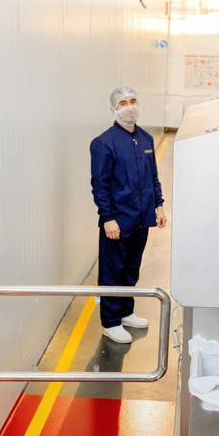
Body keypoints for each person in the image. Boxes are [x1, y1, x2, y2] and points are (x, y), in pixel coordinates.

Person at [90, 87, 167, 344]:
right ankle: (110, 322)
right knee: (113, 271)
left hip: (141, 218)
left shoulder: (145, 139)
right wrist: (108, 218)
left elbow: (153, 176)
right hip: (118, 220)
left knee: (131, 268)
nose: (129, 106)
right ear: (113, 109)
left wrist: (158, 205)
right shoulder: (104, 143)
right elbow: (100, 185)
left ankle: (125, 311)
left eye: (133, 101)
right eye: (123, 103)